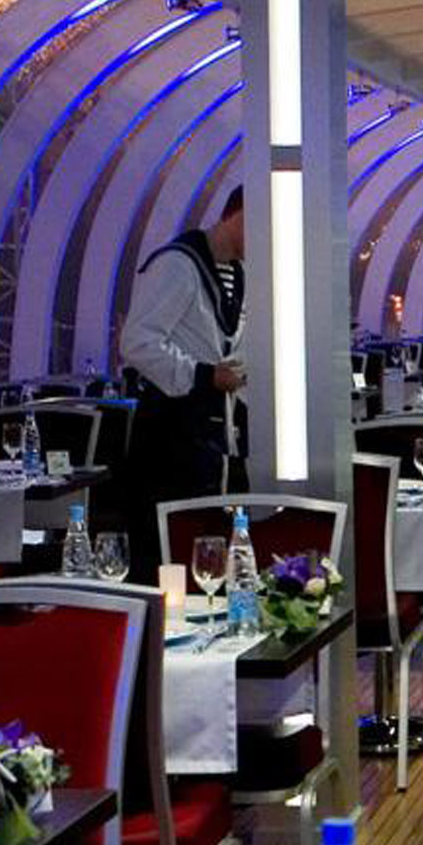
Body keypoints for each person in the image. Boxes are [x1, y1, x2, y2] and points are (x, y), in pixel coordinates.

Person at [119, 188, 249, 579]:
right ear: (241, 215)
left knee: (205, 553)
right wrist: (204, 375)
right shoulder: (177, 264)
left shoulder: (238, 274)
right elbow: (137, 342)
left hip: (212, 436)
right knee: (167, 556)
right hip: (169, 435)